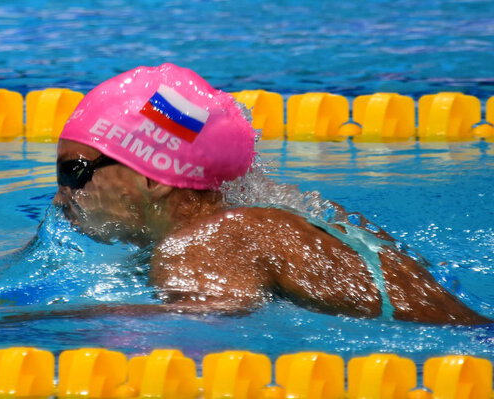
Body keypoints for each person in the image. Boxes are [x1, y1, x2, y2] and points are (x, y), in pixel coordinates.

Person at [53, 63, 490, 325]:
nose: (60, 197)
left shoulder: (201, 243)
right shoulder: (264, 218)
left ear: (155, 178)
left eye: (74, 173)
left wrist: (29, 328)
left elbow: (201, 331)